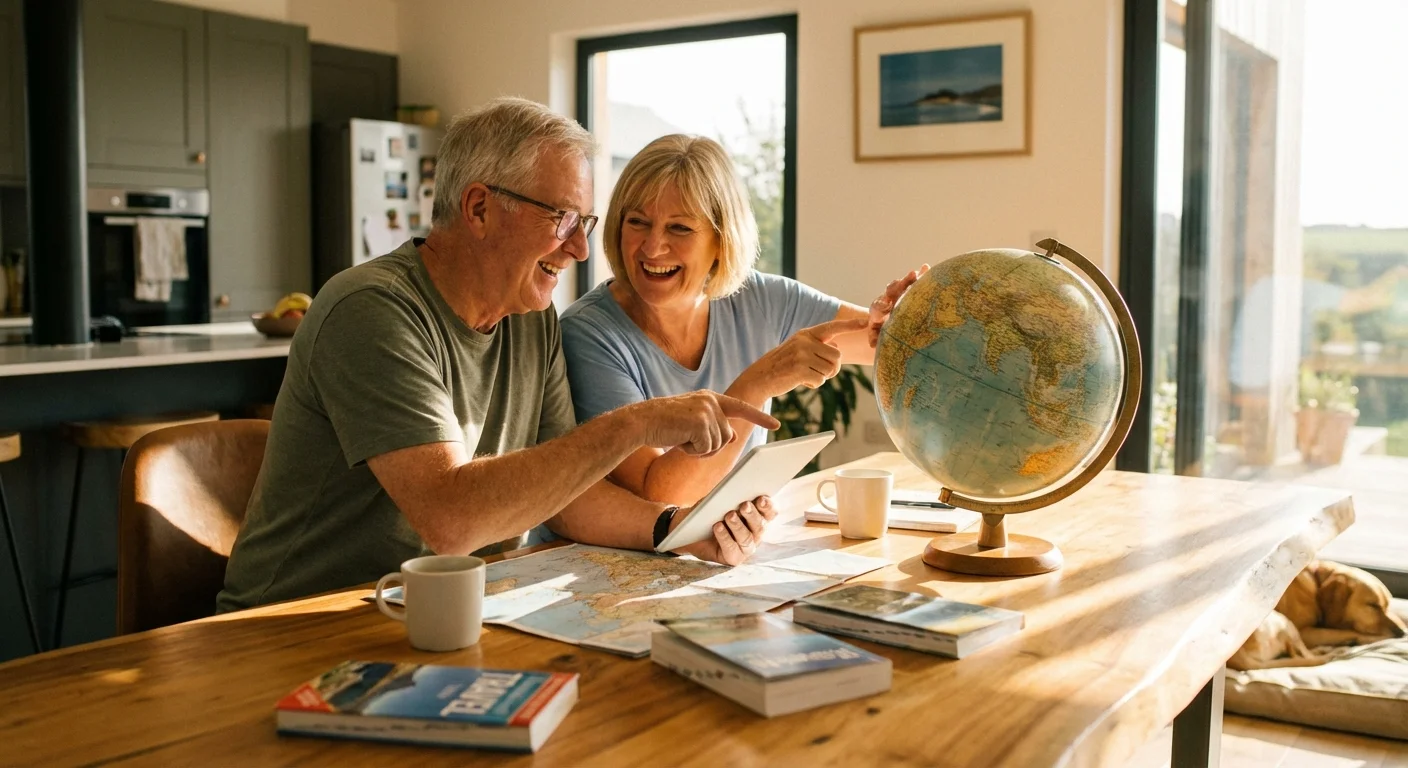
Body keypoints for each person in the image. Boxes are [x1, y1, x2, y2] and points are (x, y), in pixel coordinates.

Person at [217, 100, 780, 613]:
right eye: (562, 218)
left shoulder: (533, 320)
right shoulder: (371, 310)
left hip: (448, 610)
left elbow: (566, 496)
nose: (581, 248)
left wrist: (676, 529)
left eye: (583, 224)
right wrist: (636, 423)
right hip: (302, 623)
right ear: (480, 208)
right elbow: (452, 519)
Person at [560, 134, 926, 507]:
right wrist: (757, 384)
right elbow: (659, 495)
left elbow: (893, 349)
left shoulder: (763, 300)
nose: (653, 247)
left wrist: (887, 324)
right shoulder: (587, 334)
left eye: (679, 228)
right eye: (637, 222)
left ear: (721, 239)